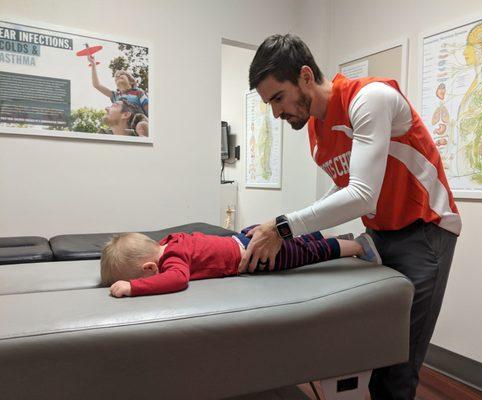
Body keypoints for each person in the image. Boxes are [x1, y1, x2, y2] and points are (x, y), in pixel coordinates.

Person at [242, 34, 461, 400]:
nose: (276, 113)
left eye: (278, 98)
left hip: (426, 231)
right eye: (269, 104)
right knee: (377, 349)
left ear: (306, 77)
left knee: (400, 366)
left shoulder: (368, 99)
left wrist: (283, 226)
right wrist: (298, 233)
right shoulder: (315, 129)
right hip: (381, 232)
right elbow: (346, 187)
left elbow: (361, 195)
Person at [100, 227, 381, 298]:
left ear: (150, 269)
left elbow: (177, 280)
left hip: (252, 257)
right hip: (243, 238)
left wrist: (134, 287)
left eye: (144, 276)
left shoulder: (174, 259)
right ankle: (338, 236)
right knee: (301, 240)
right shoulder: (172, 241)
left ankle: (357, 246)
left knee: (308, 253)